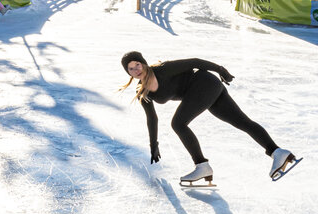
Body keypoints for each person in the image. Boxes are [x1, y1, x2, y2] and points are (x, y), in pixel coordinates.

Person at [120, 50, 298, 186]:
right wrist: (153, 144)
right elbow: (152, 119)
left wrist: (221, 70)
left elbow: (194, 62)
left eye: (137, 64)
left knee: (178, 123)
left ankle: (202, 166)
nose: (136, 69)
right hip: (202, 92)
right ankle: (278, 152)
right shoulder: (142, 92)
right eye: (131, 68)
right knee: (241, 122)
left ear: (143, 63)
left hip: (204, 83)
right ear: (128, 72)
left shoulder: (162, 70)